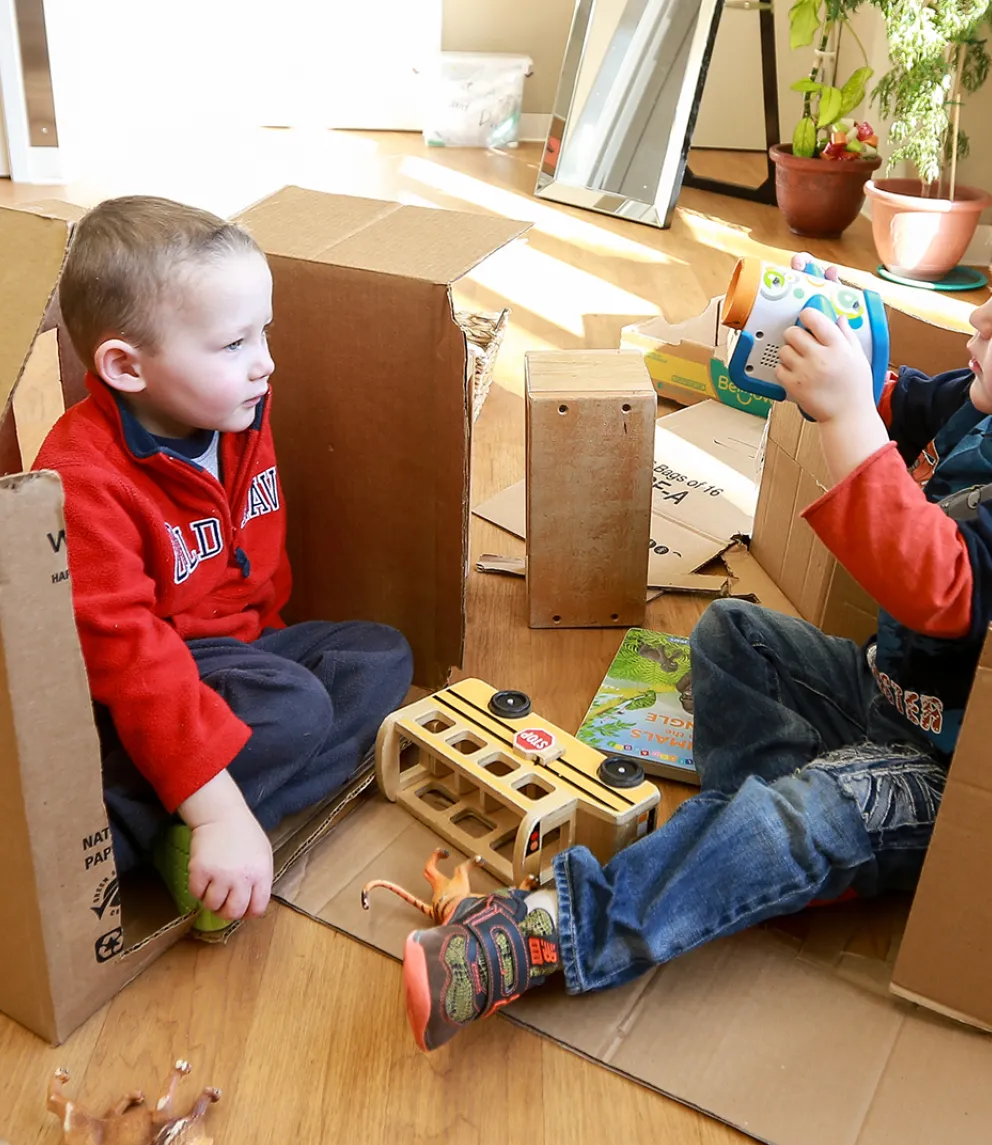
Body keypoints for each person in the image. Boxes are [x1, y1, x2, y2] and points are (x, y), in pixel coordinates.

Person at [403, 252, 992, 1053]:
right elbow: (888, 392)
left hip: (946, 774)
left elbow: (940, 586)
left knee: (800, 814)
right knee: (729, 631)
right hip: (876, 689)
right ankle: (761, 852)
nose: (981, 319)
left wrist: (847, 415)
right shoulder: (976, 401)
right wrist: (811, 340)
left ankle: (550, 931)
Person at [35, 196, 413, 932]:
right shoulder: (83, 477)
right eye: (233, 343)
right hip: (148, 685)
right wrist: (221, 805)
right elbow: (130, 661)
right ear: (125, 366)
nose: (265, 362)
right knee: (298, 708)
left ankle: (182, 826)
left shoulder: (233, 412)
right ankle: (150, 819)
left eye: (263, 330)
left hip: (246, 652)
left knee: (379, 656)